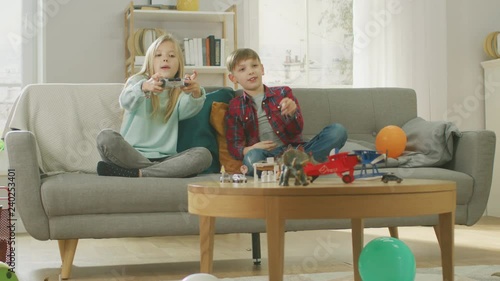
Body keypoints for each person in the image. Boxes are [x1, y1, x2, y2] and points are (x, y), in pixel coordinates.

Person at [96, 34, 212, 178]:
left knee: (203, 155)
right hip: (132, 154)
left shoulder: (178, 92)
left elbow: (189, 109)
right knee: (105, 137)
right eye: (158, 55)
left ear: (178, 65)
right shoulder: (138, 81)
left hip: (165, 158)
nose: (165, 58)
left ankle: (138, 173)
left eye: (171, 55)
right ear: (150, 62)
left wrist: (195, 92)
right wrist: (144, 87)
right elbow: (125, 101)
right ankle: (158, 172)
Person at [224, 48, 348, 176]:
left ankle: (289, 169)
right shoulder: (235, 106)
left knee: (337, 131)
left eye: (254, 66)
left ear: (262, 69)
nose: (250, 71)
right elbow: (234, 146)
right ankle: (299, 169)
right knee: (251, 159)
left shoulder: (283, 93)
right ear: (233, 78)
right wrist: (250, 149)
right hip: (265, 156)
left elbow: (297, 130)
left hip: (296, 151)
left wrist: (292, 113)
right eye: (242, 69)